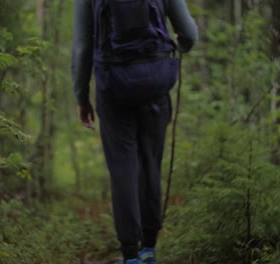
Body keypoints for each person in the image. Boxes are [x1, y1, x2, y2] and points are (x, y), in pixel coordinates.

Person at [71, 0, 198, 263]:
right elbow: (190, 32)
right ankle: (149, 249)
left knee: (122, 169)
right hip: (155, 83)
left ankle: (130, 255)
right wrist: (179, 45)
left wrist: (82, 97)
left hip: (112, 87)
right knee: (151, 163)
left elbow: (82, 46)